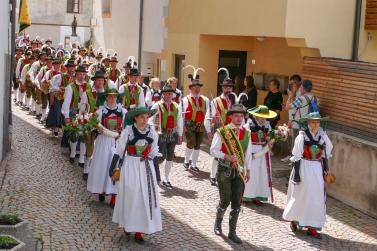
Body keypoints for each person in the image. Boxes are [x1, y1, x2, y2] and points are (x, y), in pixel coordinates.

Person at [110, 107, 162, 244]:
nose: (145, 120)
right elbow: (119, 150)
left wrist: (157, 175)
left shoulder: (152, 132)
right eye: (142, 117)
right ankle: (128, 225)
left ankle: (139, 232)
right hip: (130, 167)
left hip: (146, 168)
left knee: (144, 198)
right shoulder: (128, 131)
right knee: (131, 196)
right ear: (135, 118)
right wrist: (112, 168)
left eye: (147, 117)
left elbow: (154, 153)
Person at [283, 112, 333, 239]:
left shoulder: (323, 136)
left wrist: (326, 169)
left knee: (317, 198)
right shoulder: (302, 136)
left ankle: (313, 227)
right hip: (303, 167)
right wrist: (297, 175)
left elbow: (325, 155)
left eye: (317, 122)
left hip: (316, 168)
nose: (315, 125)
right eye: (312, 122)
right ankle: (295, 219)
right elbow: (297, 156)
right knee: (301, 195)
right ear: (308, 123)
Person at [210, 104, 252, 244]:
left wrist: (248, 169)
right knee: (225, 200)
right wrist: (227, 156)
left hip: (239, 172)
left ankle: (232, 232)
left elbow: (248, 154)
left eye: (241, 116)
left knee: (236, 203)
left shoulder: (246, 133)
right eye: (236, 116)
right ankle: (218, 223)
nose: (239, 118)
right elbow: (213, 151)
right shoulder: (222, 132)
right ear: (230, 117)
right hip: (224, 171)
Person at [87, 88, 126, 208]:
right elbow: (91, 126)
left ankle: (114, 196)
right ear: (106, 97)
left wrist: (121, 135)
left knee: (115, 167)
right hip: (103, 142)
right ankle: (101, 190)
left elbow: (127, 128)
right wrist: (97, 129)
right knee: (102, 166)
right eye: (110, 96)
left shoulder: (123, 112)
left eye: (114, 96)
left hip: (117, 142)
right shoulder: (100, 112)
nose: (112, 99)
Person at [149, 85, 183, 188]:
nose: (169, 95)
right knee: (161, 155)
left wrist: (180, 135)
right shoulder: (157, 105)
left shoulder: (176, 106)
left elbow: (179, 120)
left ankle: (166, 178)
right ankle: (154, 169)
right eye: (167, 93)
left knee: (170, 156)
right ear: (163, 94)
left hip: (172, 134)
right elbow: (150, 119)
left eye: (171, 93)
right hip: (161, 134)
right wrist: (153, 131)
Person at [243, 105, 276, 204]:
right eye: (261, 116)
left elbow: (270, 136)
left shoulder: (267, 125)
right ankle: (246, 195)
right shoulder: (249, 124)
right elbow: (244, 138)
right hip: (251, 150)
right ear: (256, 115)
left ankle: (258, 195)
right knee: (251, 174)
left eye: (265, 116)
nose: (263, 118)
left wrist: (271, 141)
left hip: (263, 152)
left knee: (262, 174)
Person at [209, 70, 234, 185]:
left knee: (230, 153)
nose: (228, 89)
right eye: (226, 87)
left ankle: (227, 174)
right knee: (217, 154)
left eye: (230, 87)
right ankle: (213, 175)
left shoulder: (235, 101)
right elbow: (210, 118)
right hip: (220, 130)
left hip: (232, 131)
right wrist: (213, 122)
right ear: (222, 88)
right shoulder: (216, 101)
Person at [61, 65, 90, 167]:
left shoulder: (89, 86)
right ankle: (73, 153)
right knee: (74, 135)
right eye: (79, 74)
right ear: (76, 75)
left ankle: (82, 157)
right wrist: (66, 116)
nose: (81, 76)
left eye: (83, 74)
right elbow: (67, 102)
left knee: (83, 135)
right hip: (73, 111)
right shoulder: (70, 87)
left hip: (85, 113)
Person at [182, 74, 211, 172]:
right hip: (189, 124)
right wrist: (182, 126)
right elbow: (181, 114)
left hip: (200, 125)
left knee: (198, 144)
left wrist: (209, 125)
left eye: (198, 87)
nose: (197, 89)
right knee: (191, 142)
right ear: (191, 88)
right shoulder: (185, 100)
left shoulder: (205, 100)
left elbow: (208, 113)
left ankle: (194, 164)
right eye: (195, 87)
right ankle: (186, 160)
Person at [47, 59, 74, 136]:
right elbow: (52, 86)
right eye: (69, 67)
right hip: (60, 98)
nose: (71, 69)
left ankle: (65, 130)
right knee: (57, 113)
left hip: (71, 99)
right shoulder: (60, 76)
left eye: (72, 67)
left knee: (68, 114)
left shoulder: (76, 77)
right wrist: (60, 89)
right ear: (67, 68)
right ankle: (55, 128)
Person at [282, 74, 302, 162]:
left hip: (297, 120)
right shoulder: (291, 90)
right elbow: (288, 104)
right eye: (292, 83)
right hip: (292, 118)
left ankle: (294, 157)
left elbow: (291, 104)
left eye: (294, 83)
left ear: (299, 82)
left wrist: (293, 92)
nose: (293, 85)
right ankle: (291, 155)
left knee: (296, 139)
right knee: (291, 137)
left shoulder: (301, 93)